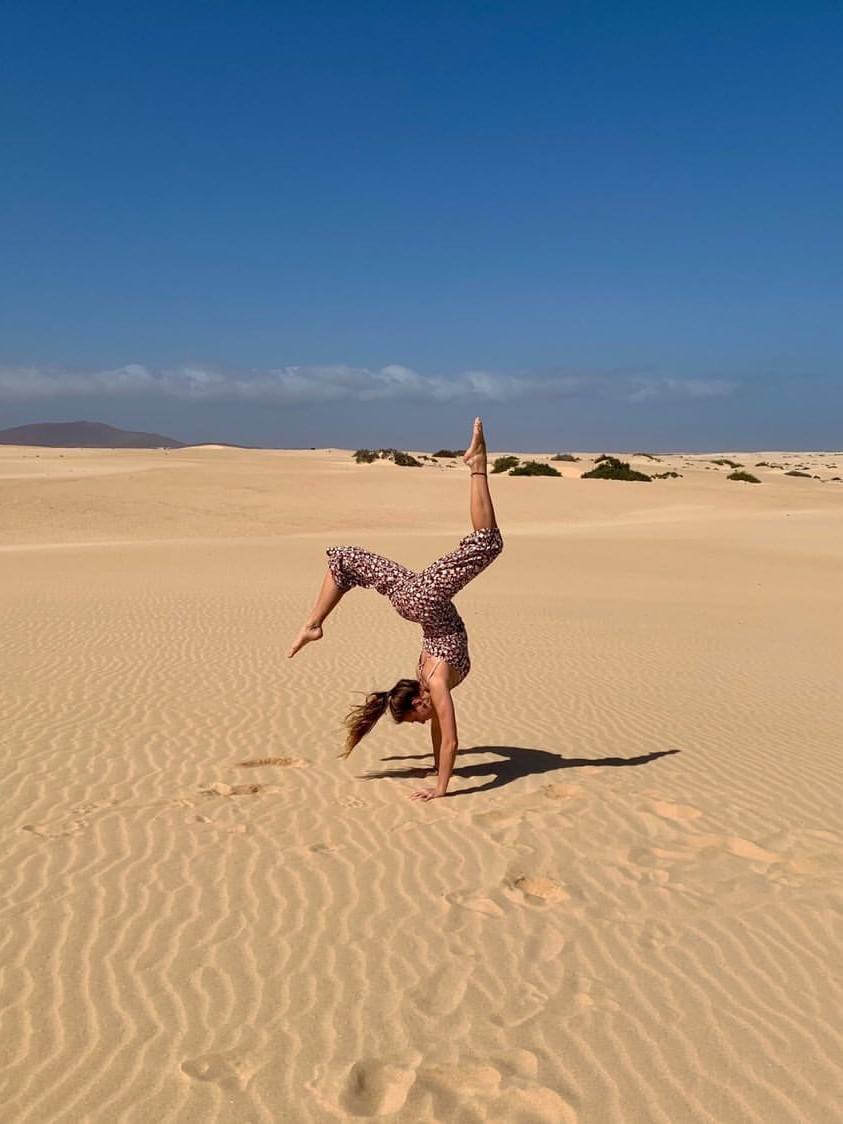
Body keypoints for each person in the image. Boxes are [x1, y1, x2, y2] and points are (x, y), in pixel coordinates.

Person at [287, 417, 503, 800]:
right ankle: (314, 623)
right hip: (416, 601)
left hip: (422, 600)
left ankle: (477, 465)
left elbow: (451, 740)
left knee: (487, 544)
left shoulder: (433, 681)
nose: (421, 723)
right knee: (349, 560)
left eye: (414, 717)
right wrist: (438, 769)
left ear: (420, 701)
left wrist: (440, 789)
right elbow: (442, 733)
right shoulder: (426, 678)